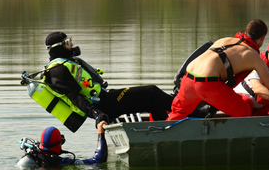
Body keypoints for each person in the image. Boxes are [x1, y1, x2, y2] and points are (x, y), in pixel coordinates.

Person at [27, 31, 174, 131]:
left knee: (152, 102)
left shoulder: (65, 63)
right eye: (67, 43)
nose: (70, 46)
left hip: (105, 101)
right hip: (103, 106)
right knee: (151, 92)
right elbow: (74, 98)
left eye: (70, 42)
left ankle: (167, 130)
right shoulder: (57, 70)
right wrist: (97, 114)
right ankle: (193, 112)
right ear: (58, 48)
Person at [167, 19, 269, 121]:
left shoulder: (223, 40)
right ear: (262, 38)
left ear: (246, 31)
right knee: (243, 110)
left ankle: (161, 139)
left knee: (176, 113)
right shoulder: (254, 56)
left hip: (188, 79)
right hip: (207, 84)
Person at [17, 121, 108, 168]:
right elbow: (97, 160)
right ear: (58, 144)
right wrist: (101, 132)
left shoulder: (35, 155)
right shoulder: (59, 162)